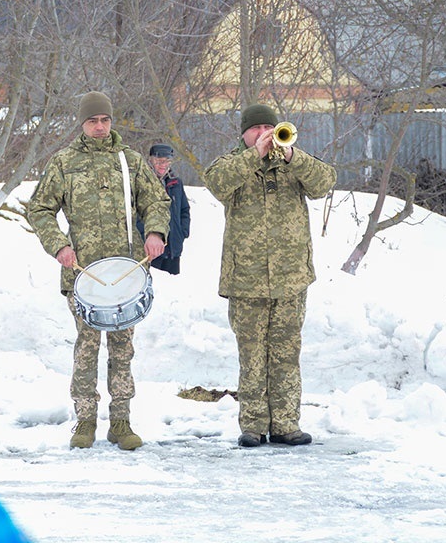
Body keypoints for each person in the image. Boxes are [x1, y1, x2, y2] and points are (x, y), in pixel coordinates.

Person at [27, 91, 171, 450]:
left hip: (126, 273)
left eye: (105, 120)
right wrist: (58, 245)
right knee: (87, 347)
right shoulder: (64, 162)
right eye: (93, 120)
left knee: (122, 349)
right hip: (83, 274)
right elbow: (39, 208)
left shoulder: (130, 161)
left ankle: (121, 422)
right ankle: (85, 420)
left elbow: (157, 200)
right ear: (82, 123)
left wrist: (155, 231)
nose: (100, 126)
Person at [203, 103, 335, 448]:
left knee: (286, 353)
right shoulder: (231, 165)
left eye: (269, 127)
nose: (263, 133)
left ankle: (286, 424)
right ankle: (253, 425)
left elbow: (325, 182)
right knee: (252, 355)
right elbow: (217, 184)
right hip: (246, 280)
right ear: (243, 133)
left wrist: (293, 157)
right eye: (255, 128)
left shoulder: (292, 163)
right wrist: (254, 156)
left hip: (290, 278)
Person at [141, 143, 190, 275]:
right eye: (159, 161)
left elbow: (184, 210)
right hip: (149, 249)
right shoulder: (142, 183)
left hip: (173, 247)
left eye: (167, 161)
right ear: (150, 160)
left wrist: (183, 231)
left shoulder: (175, 183)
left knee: (172, 285)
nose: (163, 165)